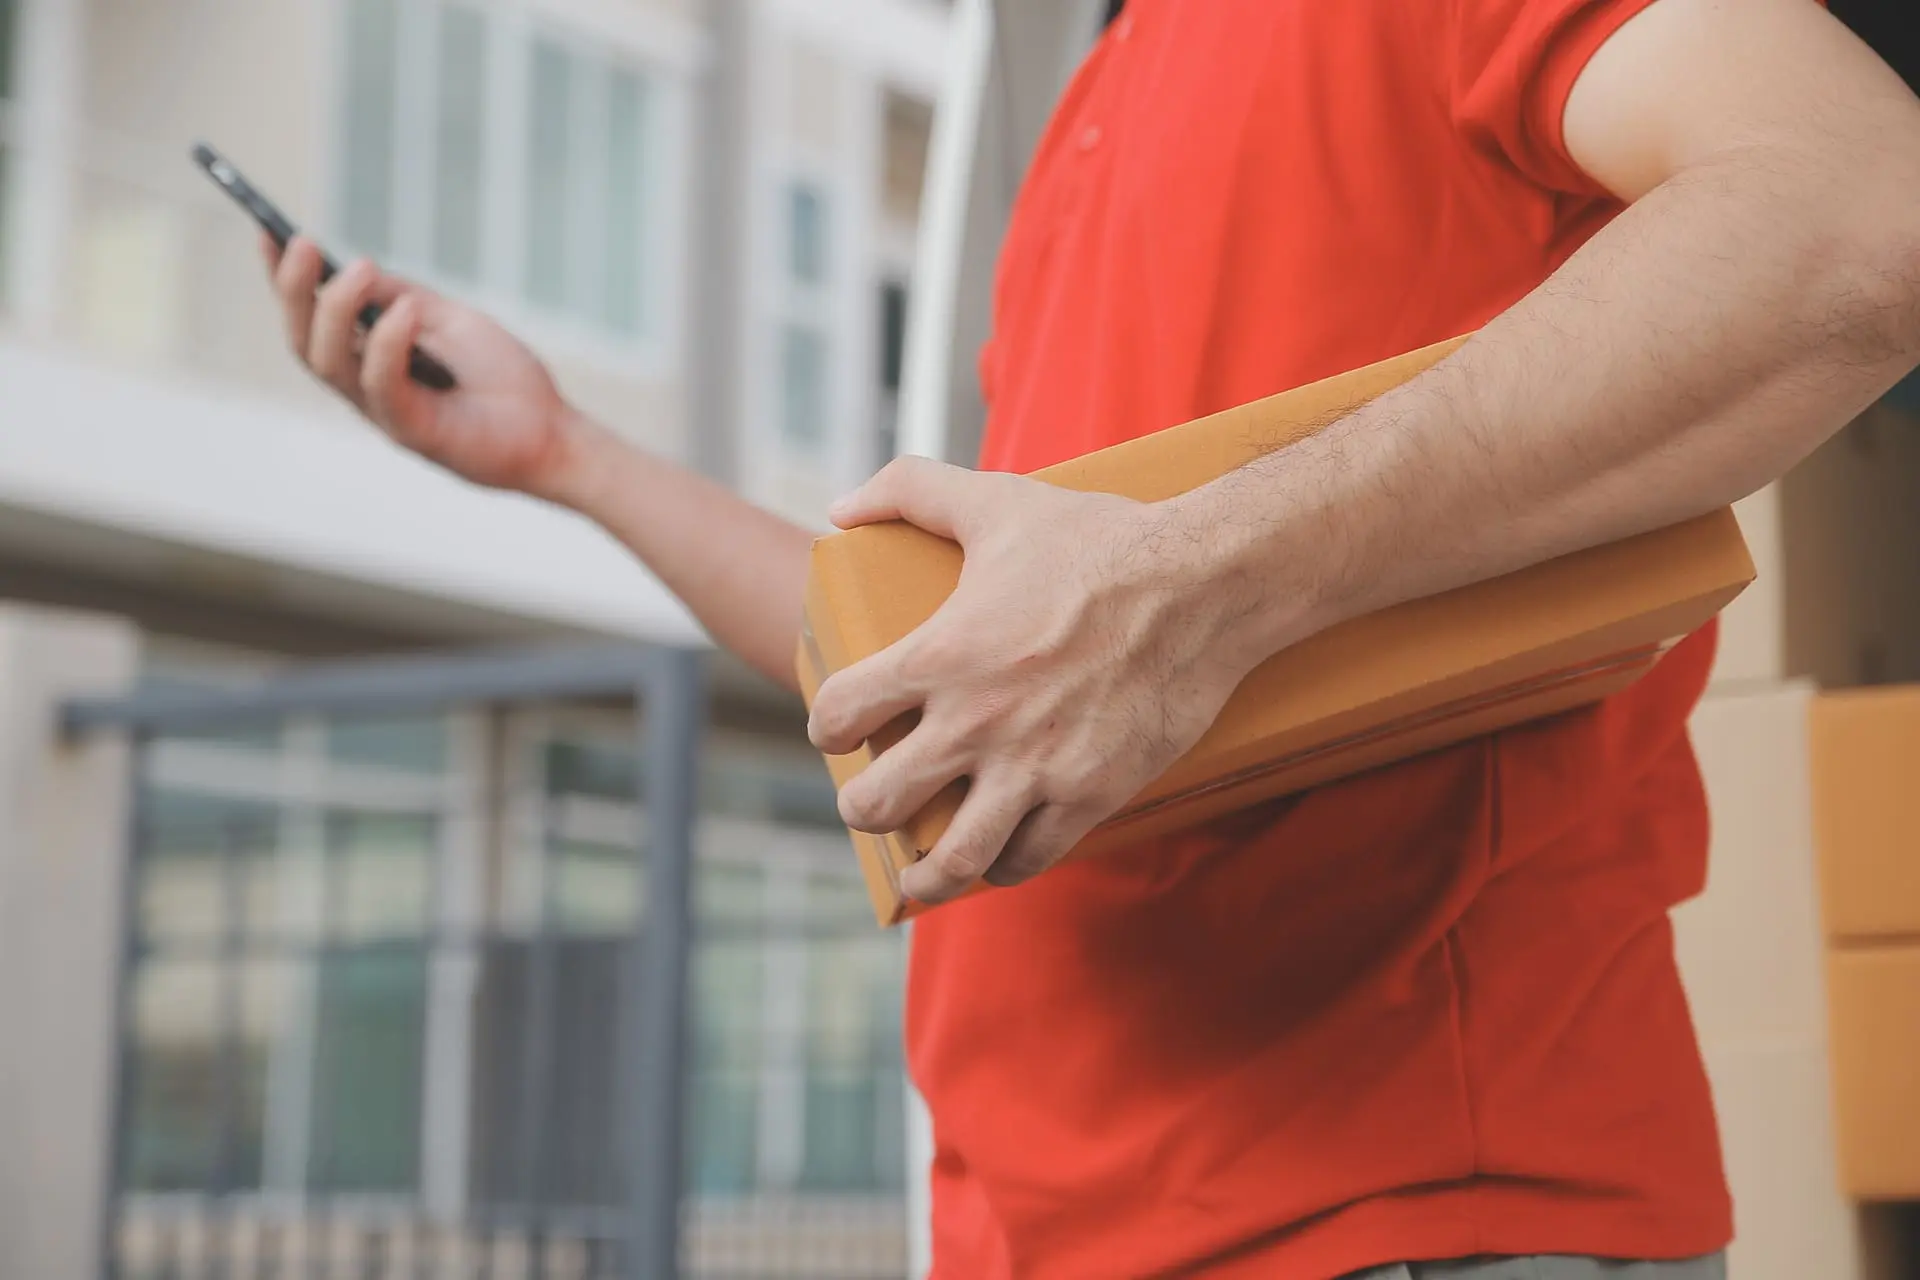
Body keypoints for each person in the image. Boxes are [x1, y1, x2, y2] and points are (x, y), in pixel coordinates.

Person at [262, 0, 1920, 1275]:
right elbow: (942, 674)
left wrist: (1181, 590)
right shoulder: (1097, 95)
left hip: (1398, 1212)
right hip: (1037, 1232)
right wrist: (562, 454)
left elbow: (1863, 204)